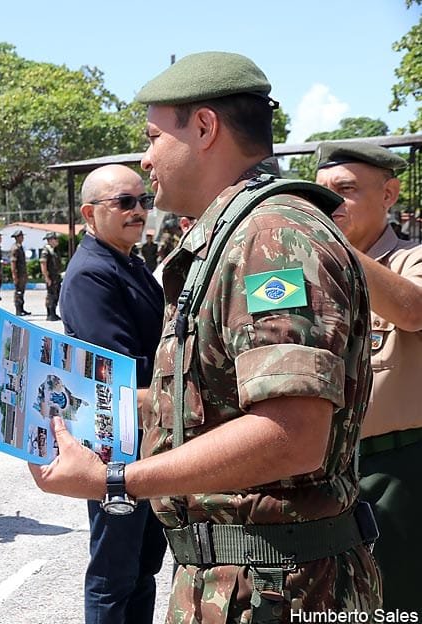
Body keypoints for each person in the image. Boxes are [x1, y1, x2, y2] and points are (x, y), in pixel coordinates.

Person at [30, 51, 380, 618]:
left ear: (204, 127)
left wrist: (117, 480)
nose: (146, 159)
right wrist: (86, 400)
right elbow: (205, 402)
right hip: (249, 580)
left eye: (152, 136)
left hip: (279, 589)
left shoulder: (271, 237)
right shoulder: (239, 234)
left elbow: (292, 433)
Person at [315, 141, 422, 610]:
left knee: (398, 599)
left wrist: (330, 244)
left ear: (389, 193)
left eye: (346, 189)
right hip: (322, 471)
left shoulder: (410, 259)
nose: (330, 205)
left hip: (396, 467)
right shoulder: (306, 274)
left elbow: (413, 309)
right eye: (319, 195)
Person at [60, 165, 166, 624]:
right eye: (124, 202)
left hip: (144, 434)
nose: (138, 211)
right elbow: (114, 365)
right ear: (90, 213)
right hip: (116, 441)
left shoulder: (126, 262)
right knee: (113, 574)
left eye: (143, 201)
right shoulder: (91, 274)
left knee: (144, 564)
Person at [39, 232, 63, 321]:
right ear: (50, 240)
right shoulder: (46, 251)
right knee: (51, 295)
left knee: (56, 294)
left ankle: (53, 313)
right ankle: (50, 314)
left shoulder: (54, 250)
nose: (57, 240)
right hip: (51, 277)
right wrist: (46, 277)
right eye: (55, 239)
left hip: (56, 277)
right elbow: (43, 264)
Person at [9, 230, 30, 316]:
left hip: (22, 274)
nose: (22, 238)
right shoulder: (15, 248)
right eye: (20, 236)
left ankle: (21, 308)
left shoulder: (20, 247)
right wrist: (14, 275)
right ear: (17, 238)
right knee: (18, 292)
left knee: (21, 291)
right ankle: (18, 309)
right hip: (18, 274)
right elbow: (13, 263)